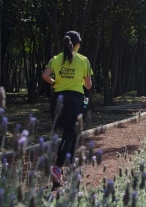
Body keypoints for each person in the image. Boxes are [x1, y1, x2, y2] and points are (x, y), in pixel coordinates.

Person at [42, 31, 93, 186]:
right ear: (77, 44)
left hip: (58, 99)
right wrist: (78, 80)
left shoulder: (56, 59)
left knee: (69, 132)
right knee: (70, 133)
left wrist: (55, 83)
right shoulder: (84, 60)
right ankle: (57, 168)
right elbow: (89, 85)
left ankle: (67, 168)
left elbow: (45, 75)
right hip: (75, 100)